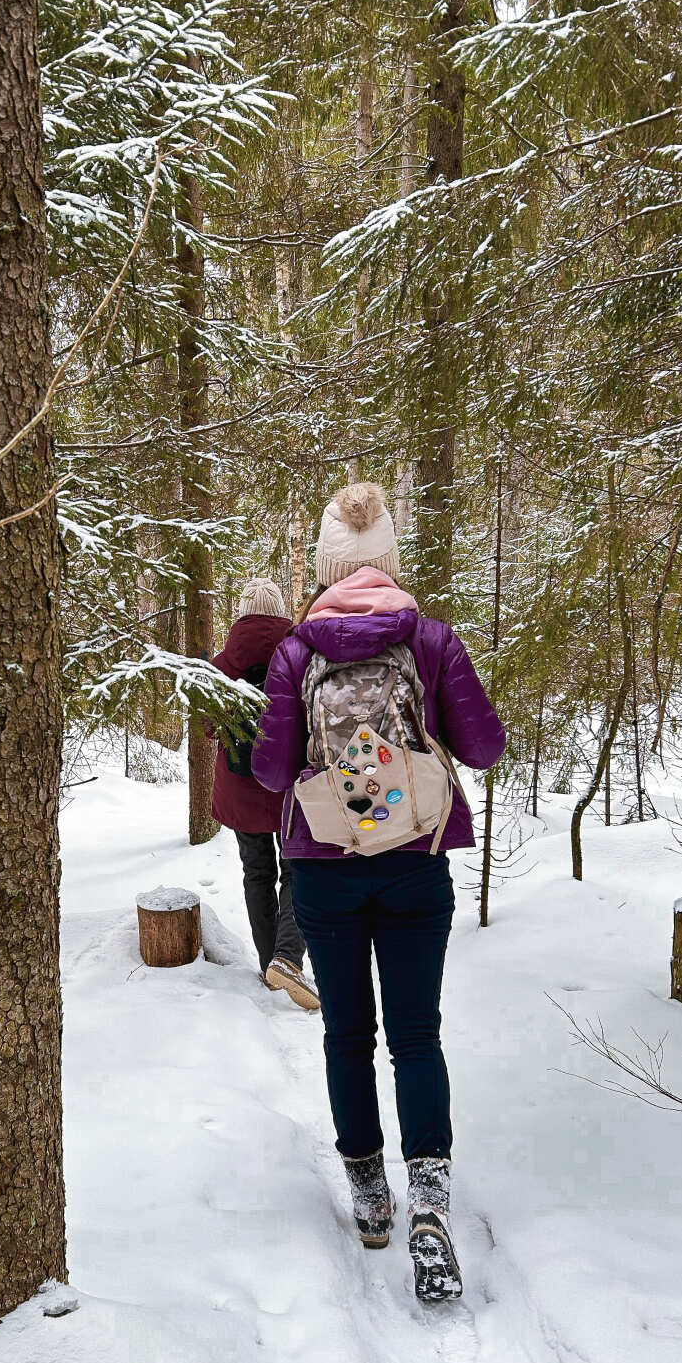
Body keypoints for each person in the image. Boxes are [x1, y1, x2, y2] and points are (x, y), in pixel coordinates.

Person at [252, 483, 505, 1300]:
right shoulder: (429, 639)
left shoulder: (296, 652)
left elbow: (270, 772)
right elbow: (483, 747)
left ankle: (369, 1195)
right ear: (389, 557)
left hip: (324, 864)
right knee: (415, 1036)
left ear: (326, 565)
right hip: (414, 859)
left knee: (346, 1037)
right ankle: (428, 1196)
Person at [210, 577, 320, 1011]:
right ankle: (287, 959)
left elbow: (208, 727)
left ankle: (267, 963)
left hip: (242, 789)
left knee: (256, 873)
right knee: (297, 872)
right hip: (291, 785)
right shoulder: (299, 654)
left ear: (242, 611)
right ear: (279, 610)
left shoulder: (222, 665)